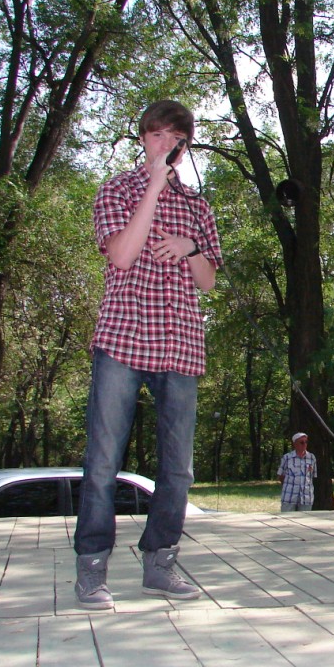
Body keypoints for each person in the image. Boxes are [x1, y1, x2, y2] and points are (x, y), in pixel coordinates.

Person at [73, 100, 222, 610]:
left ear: (186, 145)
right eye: (158, 135)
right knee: (103, 462)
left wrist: (191, 247)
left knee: (178, 469)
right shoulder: (116, 189)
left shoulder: (198, 207)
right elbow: (120, 255)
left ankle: (160, 563)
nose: (166, 145)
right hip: (123, 339)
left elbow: (208, 281)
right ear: (143, 139)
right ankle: (92, 570)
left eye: (176, 138)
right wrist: (154, 188)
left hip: (180, 344)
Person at [278, 432, 317, 511]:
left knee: (305, 518)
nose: (304, 444)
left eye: (306, 442)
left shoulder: (311, 457)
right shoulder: (287, 458)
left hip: (306, 497)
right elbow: (281, 475)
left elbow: (313, 475)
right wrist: (289, 487)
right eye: (302, 442)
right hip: (289, 497)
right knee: (286, 518)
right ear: (295, 444)